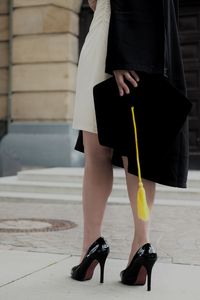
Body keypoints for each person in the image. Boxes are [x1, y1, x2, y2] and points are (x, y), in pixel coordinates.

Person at [71, 0, 188, 292]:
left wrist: (124, 52)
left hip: (118, 36)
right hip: (151, 38)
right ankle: (141, 245)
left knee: (100, 150)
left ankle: (92, 247)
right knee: (139, 148)